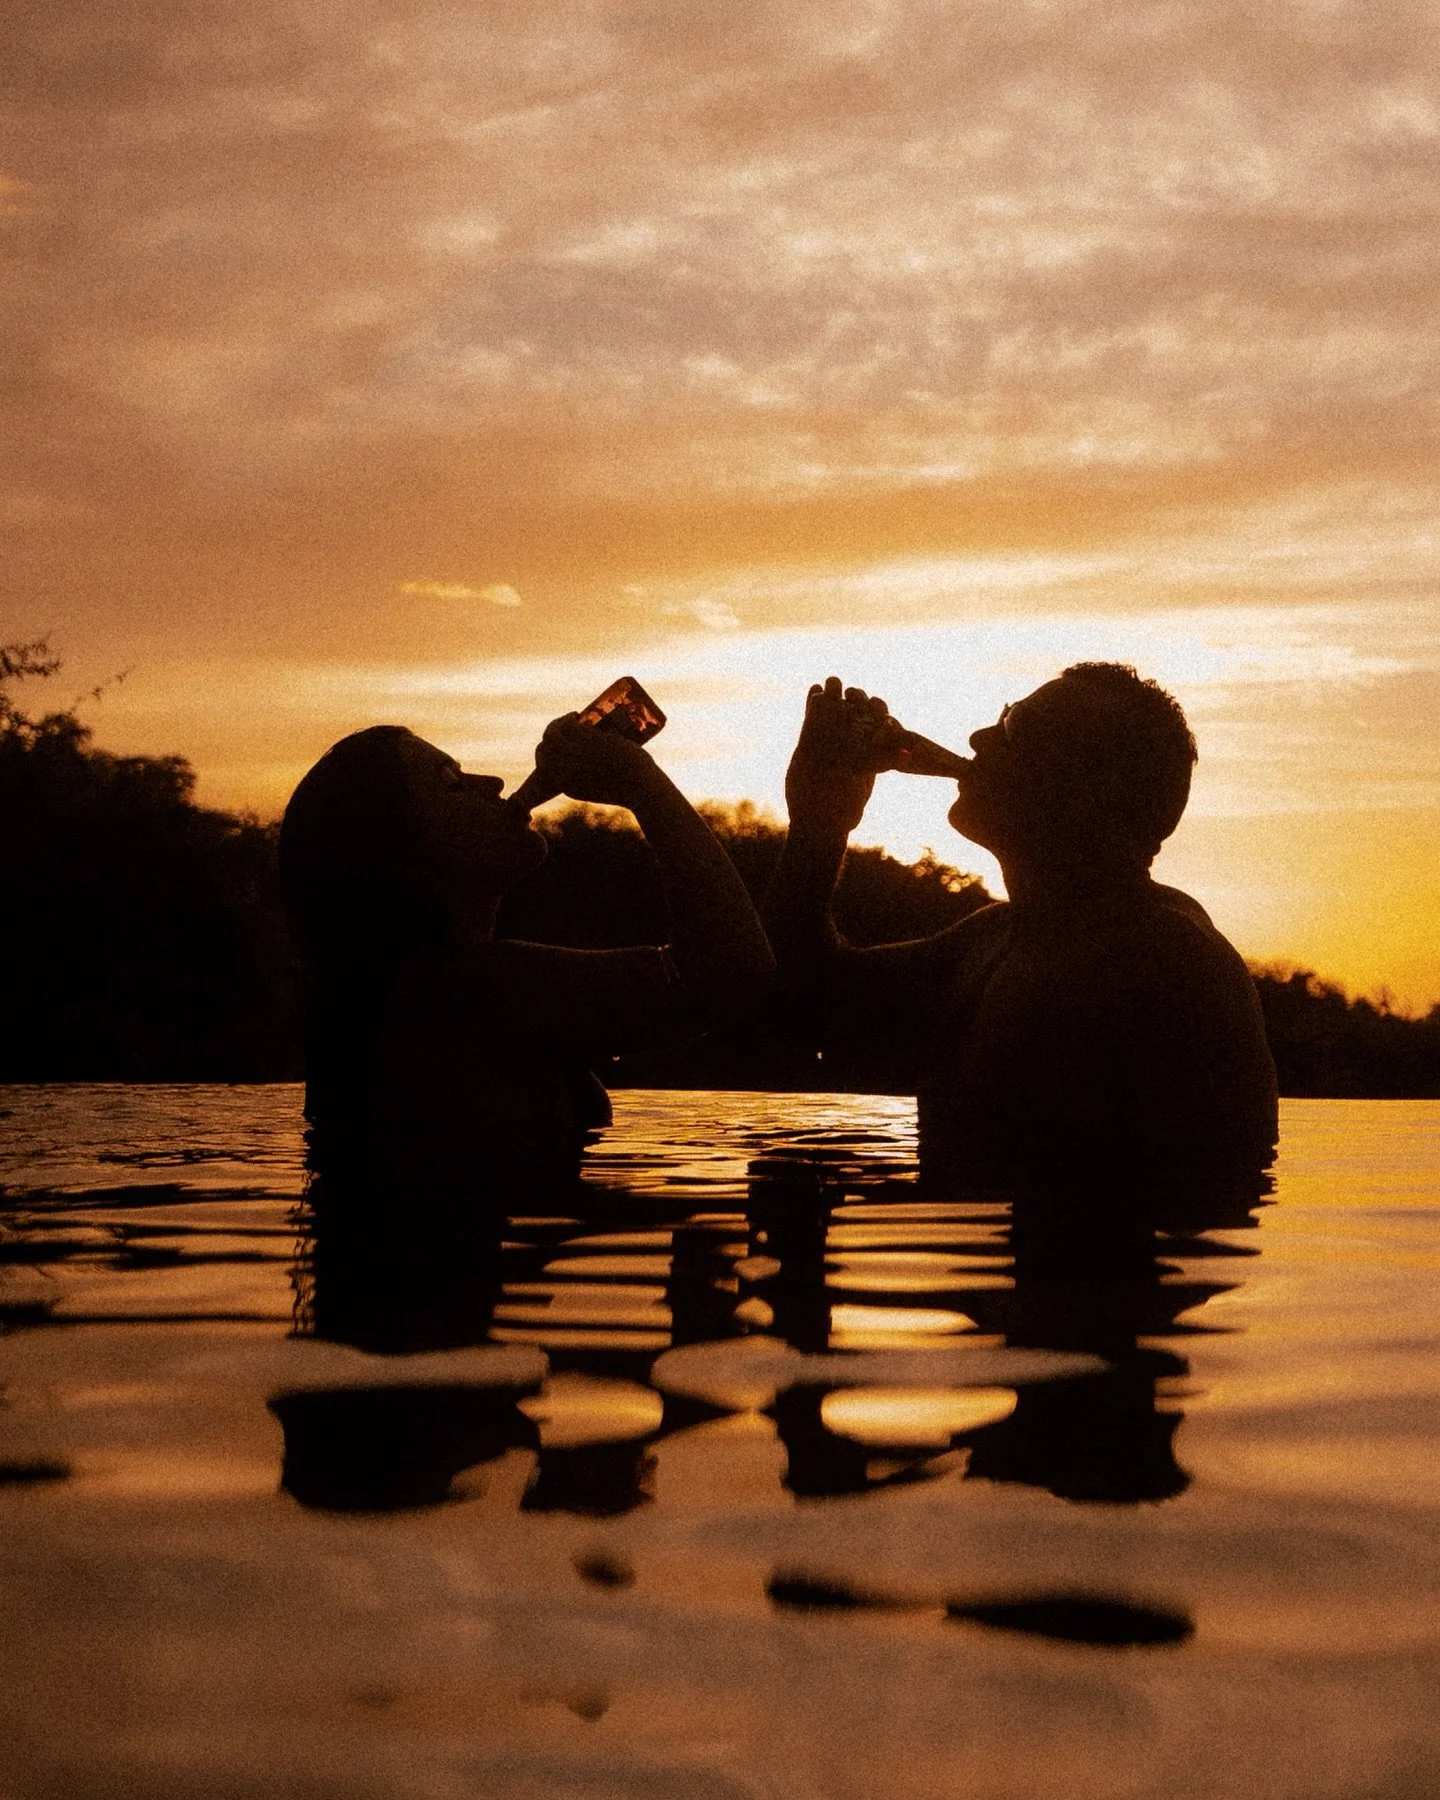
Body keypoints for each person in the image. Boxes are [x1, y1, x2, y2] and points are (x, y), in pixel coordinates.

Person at [764, 663, 1278, 1186]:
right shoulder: (1002, 938)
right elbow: (804, 997)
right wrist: (820, 823)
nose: (978, 738)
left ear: (1092, 789)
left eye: (1015, 729)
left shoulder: (1165, 963)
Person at [280, 712, 773, 1194]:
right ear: (398, 850)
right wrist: (640, 783)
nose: (492, 782)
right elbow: (729, 971)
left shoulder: (417, 992)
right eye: (452, 783)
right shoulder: (468, 990)